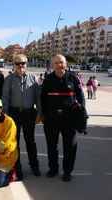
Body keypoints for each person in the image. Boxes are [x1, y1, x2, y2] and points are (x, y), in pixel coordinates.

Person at [41, 54, 85, 182]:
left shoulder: (73, 78)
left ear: (66, 64)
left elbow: (81, 97)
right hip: (51, 120)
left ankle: (67, 171)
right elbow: (43, 99)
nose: (59, 65)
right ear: (52, 65)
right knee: (51, 146)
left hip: (69, 120)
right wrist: (44, 115)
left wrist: (81, 113)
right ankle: (53, 169)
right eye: (56, 63)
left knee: (70, 147)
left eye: (61, 62)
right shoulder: (48, 79)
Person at [2, 54, 41, 180]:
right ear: (14, 65)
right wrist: (5, 115)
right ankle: (16, 168)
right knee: (15, 142)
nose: (20, 66)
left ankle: (34, 166)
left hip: (29, 113)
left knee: (30, 141)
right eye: (17, 63)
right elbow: (5, 98)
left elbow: (37, 98)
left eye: (23, 63)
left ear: (26, 64)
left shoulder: (33, 78)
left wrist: (40, 114)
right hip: (14, 114)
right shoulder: (9, 79)